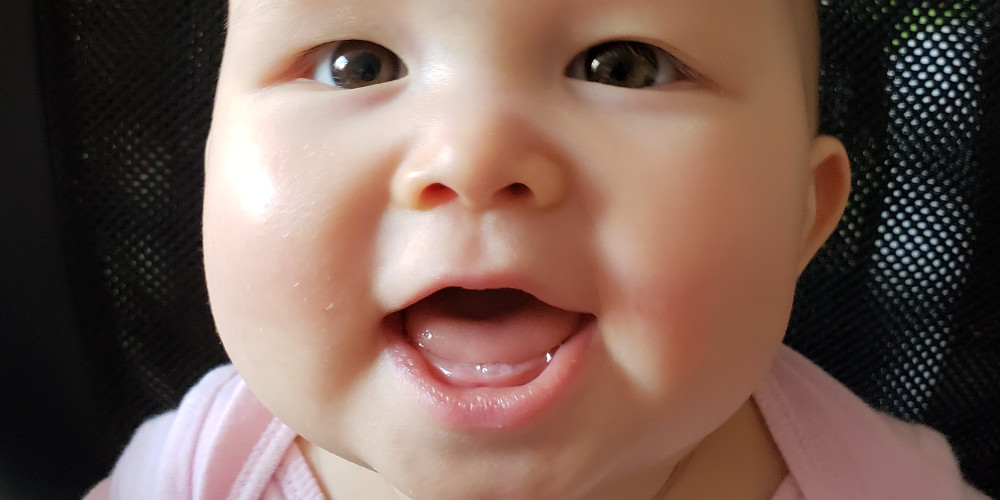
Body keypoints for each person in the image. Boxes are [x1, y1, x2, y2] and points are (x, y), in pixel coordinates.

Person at [85, 0, 988, 498]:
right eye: (354, 62)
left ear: (804, 211)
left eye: (623, 64)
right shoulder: (189, 475)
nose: (472, 156)